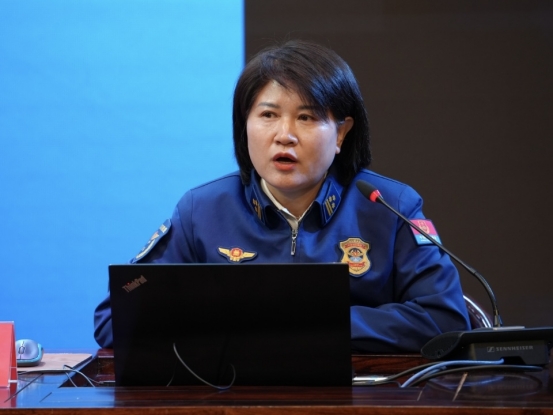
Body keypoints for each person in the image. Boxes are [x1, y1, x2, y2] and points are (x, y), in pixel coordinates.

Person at [94, 39, 470, 351]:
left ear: (341, 133)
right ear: (244, 125)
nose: (284, 135)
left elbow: (445, 318)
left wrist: (313, 323)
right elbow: (114, 320)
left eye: (306, 117)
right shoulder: (203, 211)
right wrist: (231, 326)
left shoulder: (390, 206)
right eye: (268, 115)